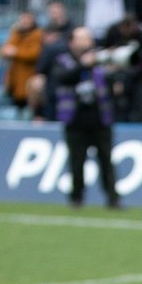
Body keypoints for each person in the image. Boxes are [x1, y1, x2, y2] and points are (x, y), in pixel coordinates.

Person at [54, 26, 120, 210]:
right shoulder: (63, 61)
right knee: (77, 160)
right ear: (72, 42)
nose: (86, 42)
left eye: (88, 38)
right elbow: (61, 78)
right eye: (81, 38)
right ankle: (77, 197)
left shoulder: (101, 60)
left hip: (100, 118)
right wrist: (83, 65)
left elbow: (113, 83)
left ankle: (112, 198)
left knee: (106, 160)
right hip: (75, 119)